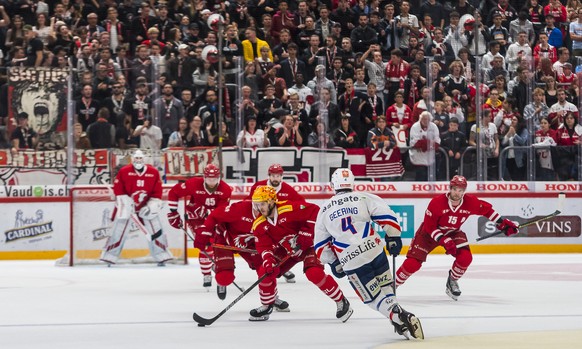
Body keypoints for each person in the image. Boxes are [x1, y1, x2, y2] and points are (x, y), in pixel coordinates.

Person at [314, 168, 424, 340]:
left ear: (332, 185)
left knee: (371, 297)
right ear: (352, 182)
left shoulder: (325, 209)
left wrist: (333, 262)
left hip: (351, 258)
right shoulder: (363, 196)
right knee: (387, 287)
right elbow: (387, 216)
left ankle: (398, 315)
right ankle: (397, 317)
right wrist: (393, 236)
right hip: (374, 248)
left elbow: (320, 245)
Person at [395, 175, 519, 300]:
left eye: (460, 190)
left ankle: (452, 281)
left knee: (465, 258)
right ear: (450, 188)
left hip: (453, 233)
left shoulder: (470, 202)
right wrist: (443, 240)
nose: (457, 193)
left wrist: (502, 223)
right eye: (454, 189)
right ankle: (392, 286)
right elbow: (430, 226)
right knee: (412, 264)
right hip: (428, 235)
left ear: (464, 191)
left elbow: (487, 210)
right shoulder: (436, 202)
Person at [249, 185, 353, 322]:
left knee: (313, 273)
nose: (259, 208)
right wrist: (268, 259)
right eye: (257, 205)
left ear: (271, 201)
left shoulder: (289, 209)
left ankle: (341, 301)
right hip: (289, 250)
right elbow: (264, 246)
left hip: (310, 246)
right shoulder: (259, 224)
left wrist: (304, 236)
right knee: (265, 270)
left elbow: (316, 211)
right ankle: (268, 304)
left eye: (262, 204)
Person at [193, 200, 291, 308]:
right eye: (259, 204)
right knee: (224, 278)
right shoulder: (239, 209)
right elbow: (215, 215)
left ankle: (271, 298)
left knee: (266, 271)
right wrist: (204, 231)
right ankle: (220, 269)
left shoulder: (277, 215)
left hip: (253, 245)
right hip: (225, 241)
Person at [100, 150, 173, 266]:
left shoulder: (153, 172)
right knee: (119, 230)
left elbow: (157, 193)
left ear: (144, 160)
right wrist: (125, 203)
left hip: (146, 206)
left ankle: (162, 254)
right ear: (132, 159)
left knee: (156, 229)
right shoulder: (124, 171)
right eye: (136, 159)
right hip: (128, 206)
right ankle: (110, 255)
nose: (138, 161)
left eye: (140, 159)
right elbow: (118, 190)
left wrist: (151, 207)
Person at [167, 164, 232, 288]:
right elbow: (174, 192)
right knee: (206, 244)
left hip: (214, 220)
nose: (211, 182)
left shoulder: (225, 189)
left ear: (219, 178)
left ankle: (213, 265)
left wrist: (207, 213)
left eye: (214, 179)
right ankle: (207, 274)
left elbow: (221, 212)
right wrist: (173, 212)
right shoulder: (193, 184)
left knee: (216, 244)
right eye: (209, 179)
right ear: (204, 177)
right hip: (195, 220)